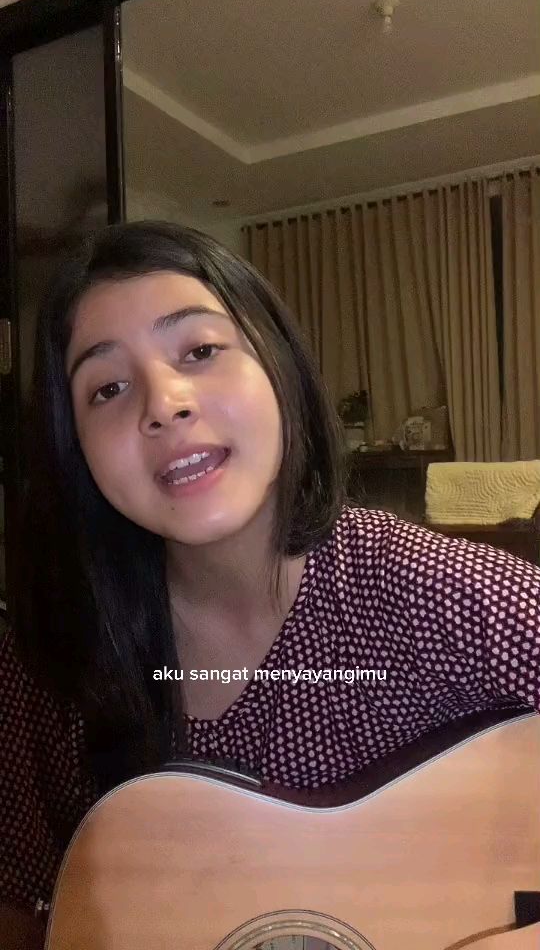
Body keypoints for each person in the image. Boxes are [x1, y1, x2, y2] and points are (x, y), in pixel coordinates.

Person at [0, 221, 538, 949]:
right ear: (75, 448)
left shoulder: (421, 588)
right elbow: (22, 902)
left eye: (200, 351)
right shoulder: (50, 660)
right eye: (108, 388)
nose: (163, 403)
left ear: (276, 364)